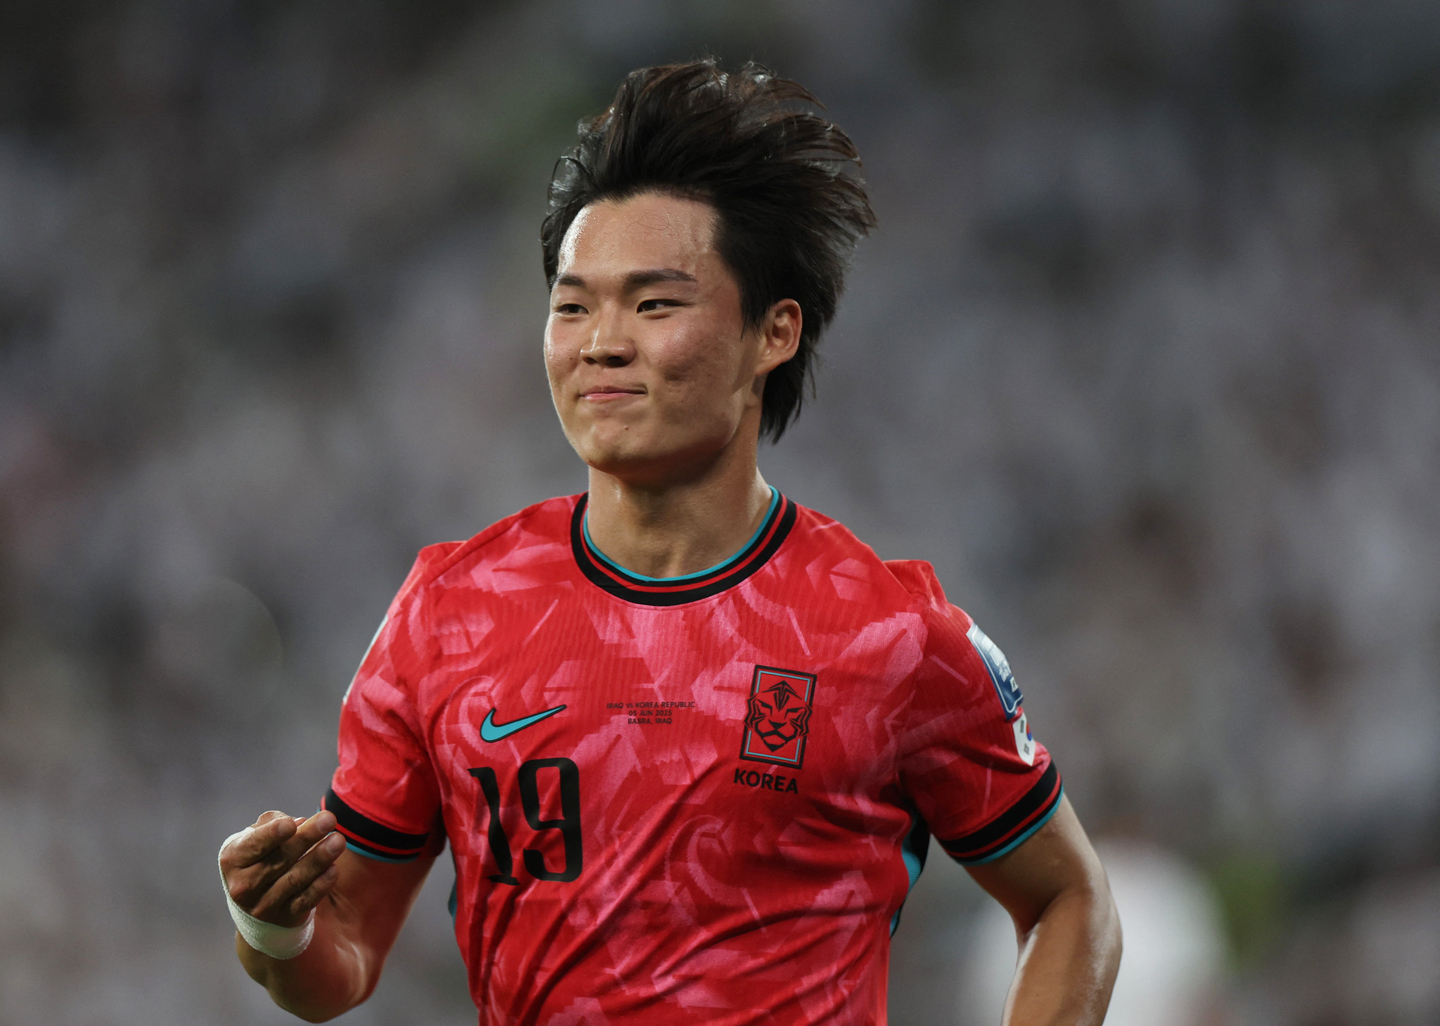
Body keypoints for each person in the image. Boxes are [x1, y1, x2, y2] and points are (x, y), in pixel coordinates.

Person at [219, 59, 1122, 1025]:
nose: (602, 342)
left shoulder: (894, 635)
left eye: (654, 305)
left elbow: (1072, 899)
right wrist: (274, 926)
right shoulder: (448, 611)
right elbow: (342, 954)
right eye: (573, 306)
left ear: (773, 333)